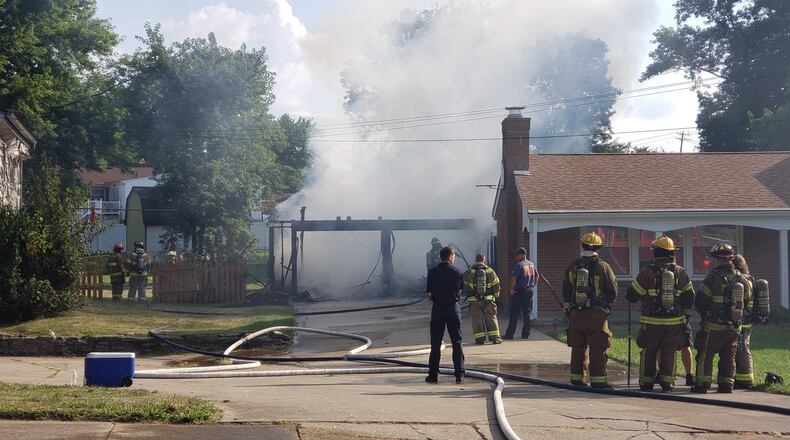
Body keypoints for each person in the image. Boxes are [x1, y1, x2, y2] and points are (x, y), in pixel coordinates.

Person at [626, 236, 695, 392]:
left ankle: (646, 382)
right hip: (674, 322)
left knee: (649, 350)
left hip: (651, 321)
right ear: (672, 253)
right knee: (669, 351)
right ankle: (667, 383)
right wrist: (685, 317)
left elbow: (632, 296)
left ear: (655, 253)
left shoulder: (646, 273)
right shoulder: (681, 272)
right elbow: (690, 298)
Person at [693, 243, 752, 393]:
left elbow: (700, 300)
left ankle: (702, 384)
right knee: (728, 356)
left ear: (718, 259)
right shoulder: (741, 278)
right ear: (731, 258)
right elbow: (748, 297)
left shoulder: (712, 278)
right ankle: (726, 385)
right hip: (733, 327)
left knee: (706, 354)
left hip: (713, 326)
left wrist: (705, 314)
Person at [561, 232, 618, 388]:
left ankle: (576, 379)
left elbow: (566, 290)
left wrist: (568, 309)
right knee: (597, 348)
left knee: (578, 347)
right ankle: (598, 381)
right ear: (598, 248)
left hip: (576, 314)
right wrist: (607, 308)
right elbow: (613, 290)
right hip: (596, 315)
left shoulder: (572, 266)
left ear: (582, 246)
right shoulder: (603, 266)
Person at [425, 246, 465, 384]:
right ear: (449, 257)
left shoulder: (432, 272)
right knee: (457, 342)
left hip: (437, 310)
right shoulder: (458, 271)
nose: (454, 258)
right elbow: (461, 290)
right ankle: (459, 375)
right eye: (453, 256)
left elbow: (429, 293)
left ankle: (433, 375)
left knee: (435, 343)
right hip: (453, 309)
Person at [733, 254, 759, 389]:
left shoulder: (743, 280)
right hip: (745, 318)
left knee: (742, 348)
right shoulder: (747, 278)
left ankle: (746, 379)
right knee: (738, 348)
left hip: (744, 320)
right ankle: (739, 377)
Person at [463, 255, 502, 344]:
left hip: (474, 301)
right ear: (484, 260)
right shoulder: (490, 271)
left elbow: (462, 283)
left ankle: (479, 340)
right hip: (488, 300)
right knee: (491, 318)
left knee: (477, 319)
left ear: (475, 260)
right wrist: (496, 296)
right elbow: (496, 285)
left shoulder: (470, 271)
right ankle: (495, 338)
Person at [504, 247, 538, 339]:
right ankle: (526, 334)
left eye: (517, 254)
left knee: (514, 313)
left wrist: (511, 289)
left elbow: (514, 278)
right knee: (527, 313)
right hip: (529, 290)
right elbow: (537, 276)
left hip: (520, 291)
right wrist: (533, 284)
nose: (516, 256)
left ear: (523, 254)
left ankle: (510, 334)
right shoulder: (531, 264)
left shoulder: (519, 265)